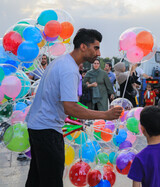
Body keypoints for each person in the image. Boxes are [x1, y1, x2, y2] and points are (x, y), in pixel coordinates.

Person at [25, 28, 123, 187]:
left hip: (37, 127)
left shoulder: (61, 62)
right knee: (51, 181)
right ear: (83, 46)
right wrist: (105, 114)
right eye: (96, 47)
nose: (98, 53)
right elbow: (70, 108)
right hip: (47, 130)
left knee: (36, 179)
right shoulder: (69, 69)